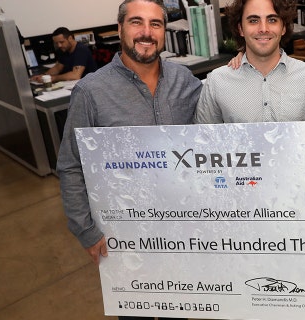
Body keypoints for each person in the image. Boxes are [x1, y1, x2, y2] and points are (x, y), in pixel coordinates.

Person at [56, 0, 200, 319]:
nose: (146, 33)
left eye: (156, 24)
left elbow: (209, 144)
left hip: (181, 232)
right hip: (126, 236)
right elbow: (70, 165)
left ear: (165, 32)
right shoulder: (91, 92)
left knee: (180, 309)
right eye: (136, 23)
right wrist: (86, 231)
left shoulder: (185, 81)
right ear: (119, 29)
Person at [193, 0, 305, 124]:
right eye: (253, 21)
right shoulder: (217, 81)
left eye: (272, 20)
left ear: (283, 28)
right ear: (241, 29)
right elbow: (203, 140)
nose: (263, 29)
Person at [31, 27, 98, 83]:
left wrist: (53, 78)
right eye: (56, 43)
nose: (59, 45)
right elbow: (57, 68)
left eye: (61, 42)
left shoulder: (81, 50)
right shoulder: (64, 50)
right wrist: (44, 76)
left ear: (70, 38)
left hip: (88, 84)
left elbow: (75, 75)